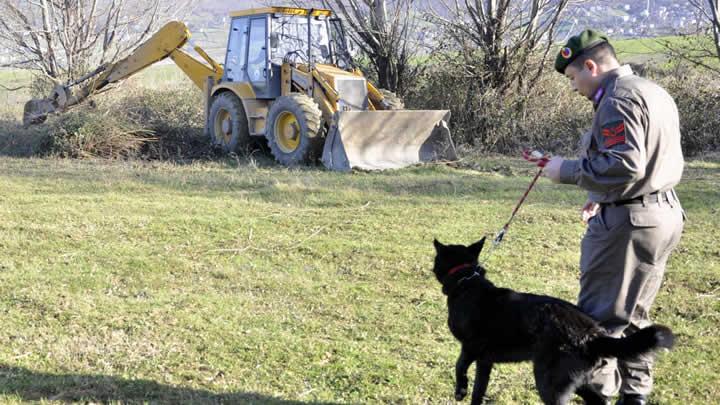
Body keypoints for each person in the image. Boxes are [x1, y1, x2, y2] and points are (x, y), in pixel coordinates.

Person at [537, 30, 685, 405]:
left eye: (573, 77)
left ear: (591, 65)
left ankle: (601, 395)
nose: (573, 88)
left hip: (629, 222)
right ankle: (635, 395)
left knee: (596, 322)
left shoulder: (617, 99)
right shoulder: (653, 90)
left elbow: (626, 163)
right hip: (661, 214)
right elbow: (648, 159)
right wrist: (599, 196)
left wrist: (564, 170)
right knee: (635, 313)